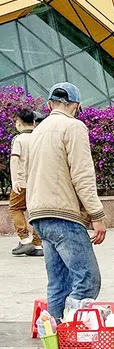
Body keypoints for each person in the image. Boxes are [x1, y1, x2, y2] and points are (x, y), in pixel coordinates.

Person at [23, 83, 105, 321]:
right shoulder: (74, 126)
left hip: (39, 215)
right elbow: (82, 175)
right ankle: (74, 330)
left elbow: (26, 174)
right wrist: (97, 215)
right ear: (76, 105)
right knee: (88, 280)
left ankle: (55, 336)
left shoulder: (36, 131)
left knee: (59, 283)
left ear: (50, 104)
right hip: (63, 214)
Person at [9, 109, 42, 257]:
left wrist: (14, 180)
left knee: (15, 208)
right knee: (36, 211)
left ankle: (24, 239)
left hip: (22, 182)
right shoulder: (39, 137)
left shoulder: (19, 139)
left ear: (19, 123)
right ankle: (37, 244)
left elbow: (14, 159)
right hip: (38, 182)